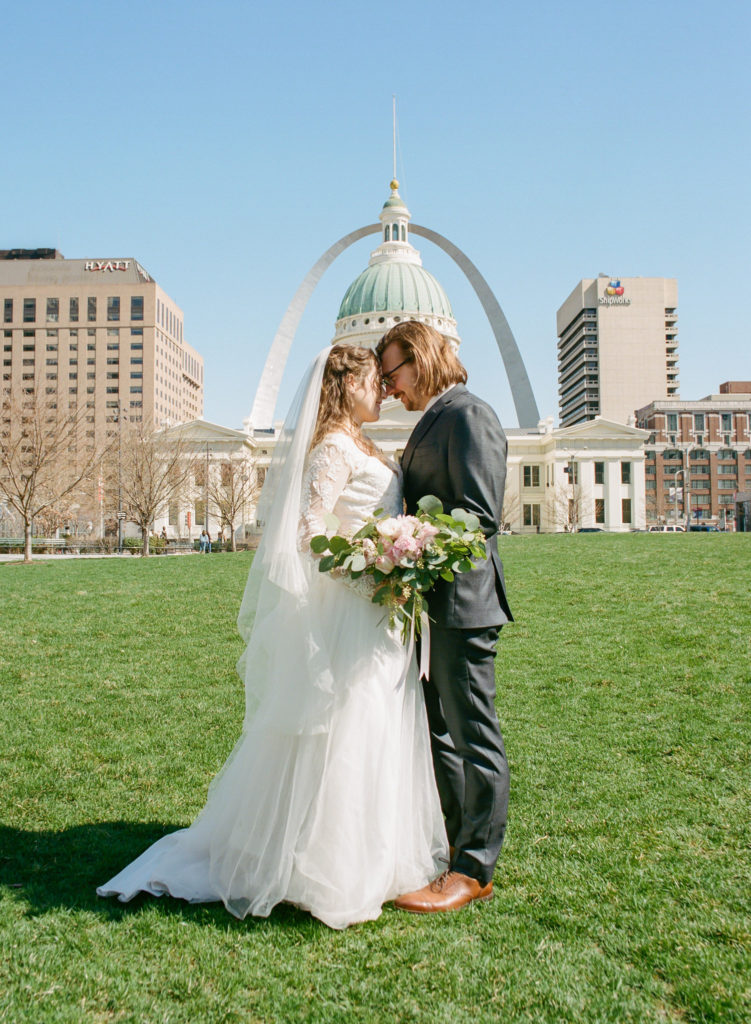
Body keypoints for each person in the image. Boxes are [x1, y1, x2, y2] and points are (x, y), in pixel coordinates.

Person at [97, 345, 448, 929]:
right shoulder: (333, 447)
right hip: (351, 610)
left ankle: (375, 856)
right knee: (343, 729)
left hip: (379, 615)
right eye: (372, 381)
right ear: (344, 386)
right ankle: (321, 865)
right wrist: (375, 564)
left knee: (378, 727)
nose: (383, 389)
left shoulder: (366, 444)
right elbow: (311, 534)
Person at [377, 320, 513, 913]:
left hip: (462, 604)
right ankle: (456, 850)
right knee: (439, 734)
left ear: (422, 359)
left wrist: (409, 541)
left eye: (393, 373)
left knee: (472, 733)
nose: (388, 388)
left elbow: (478, 519)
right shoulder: (433, 419)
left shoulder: (468, 416)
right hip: (431, 603)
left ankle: (476, 869)